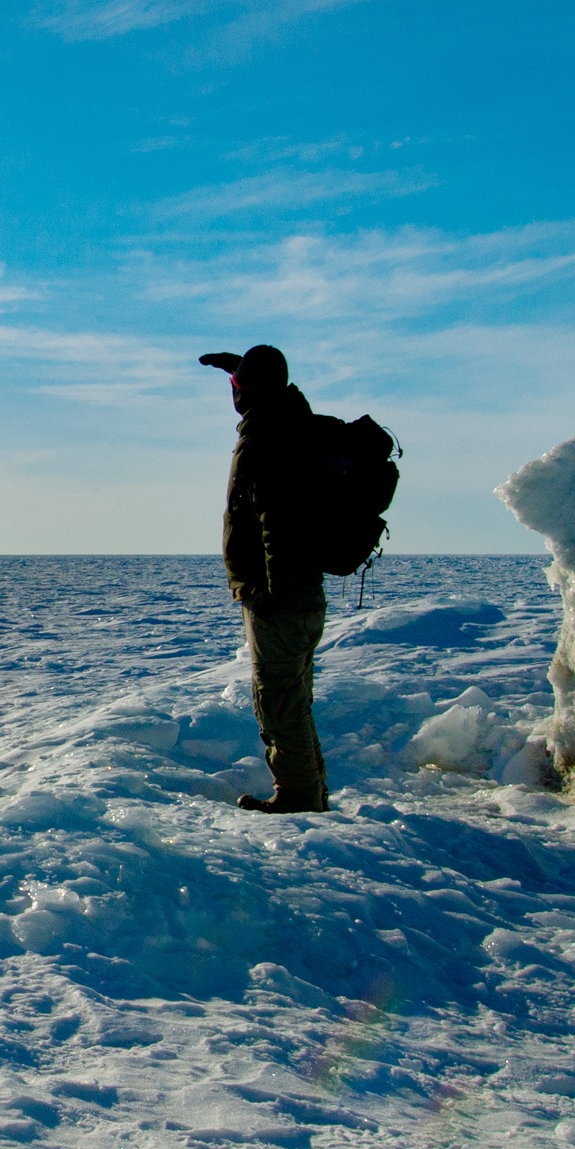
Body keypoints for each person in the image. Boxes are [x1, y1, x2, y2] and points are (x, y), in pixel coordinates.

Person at [199, 344, 329, 813]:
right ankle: (311, 792)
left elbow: (277, 518)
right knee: (292, 696)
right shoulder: (290, 419)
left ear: (244, 394)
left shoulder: (267, 438)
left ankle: (299, 799)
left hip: (283, 596)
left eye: (236, 387)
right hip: (302, 591)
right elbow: (276, 392)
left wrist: (273, 590)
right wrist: (240, 370)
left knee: (278, 701)